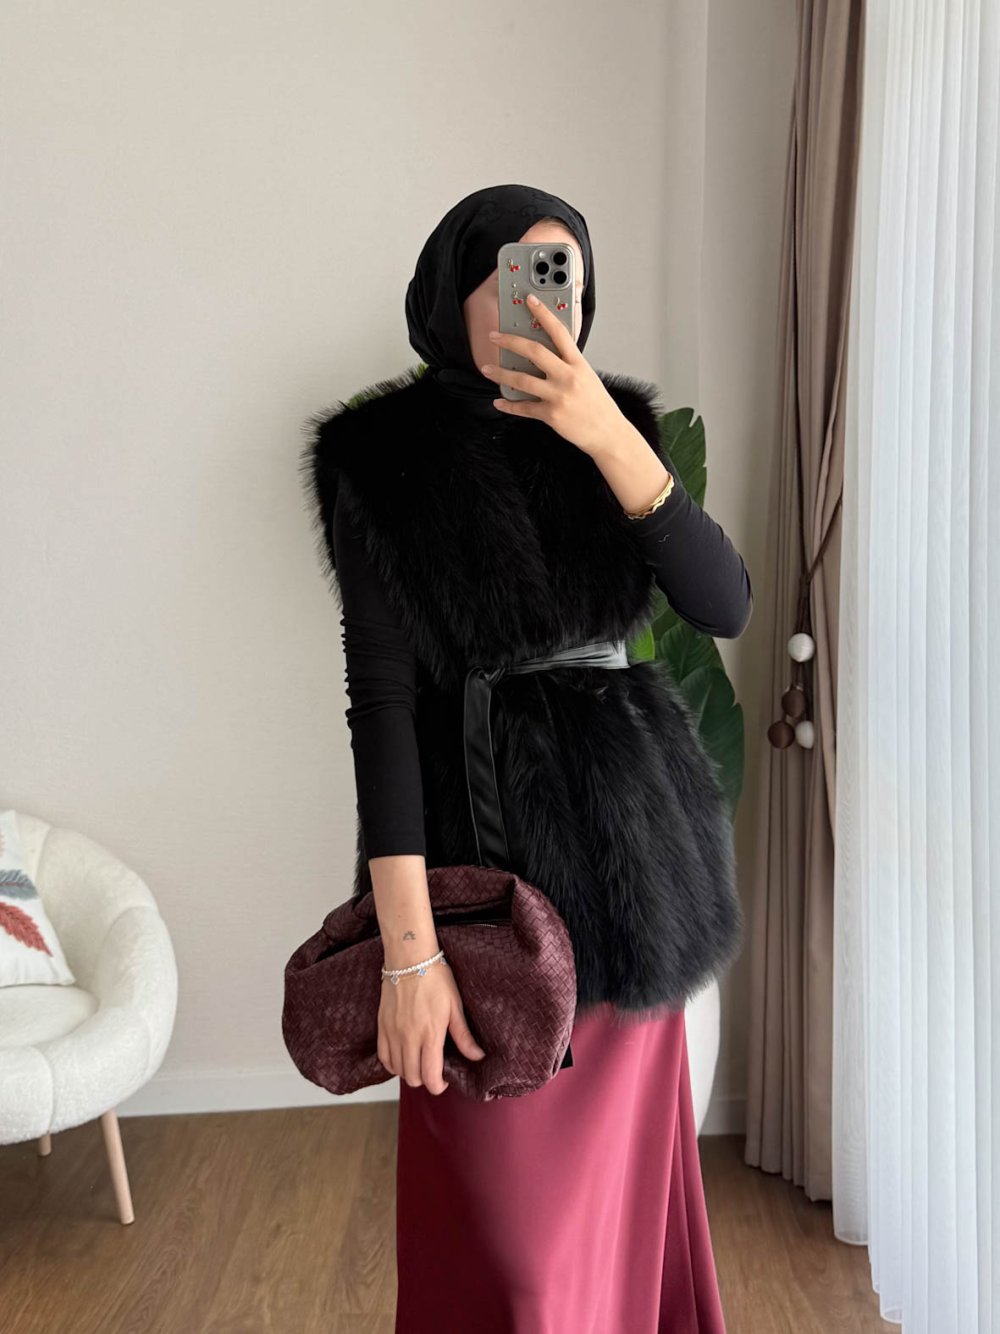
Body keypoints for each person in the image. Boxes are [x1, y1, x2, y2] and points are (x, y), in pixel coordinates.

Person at [304, 184, 752, 1333]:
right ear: (456, 291)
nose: (547, 307)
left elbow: (722, 602)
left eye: (568, 283)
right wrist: (408, 952)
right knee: (513, 1257)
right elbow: (381, 705)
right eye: (518, 277)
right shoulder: (379, 458)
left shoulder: (616, 428)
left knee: (612, 1224)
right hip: (480, 882)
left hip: (636, 874)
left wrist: (605, 435)